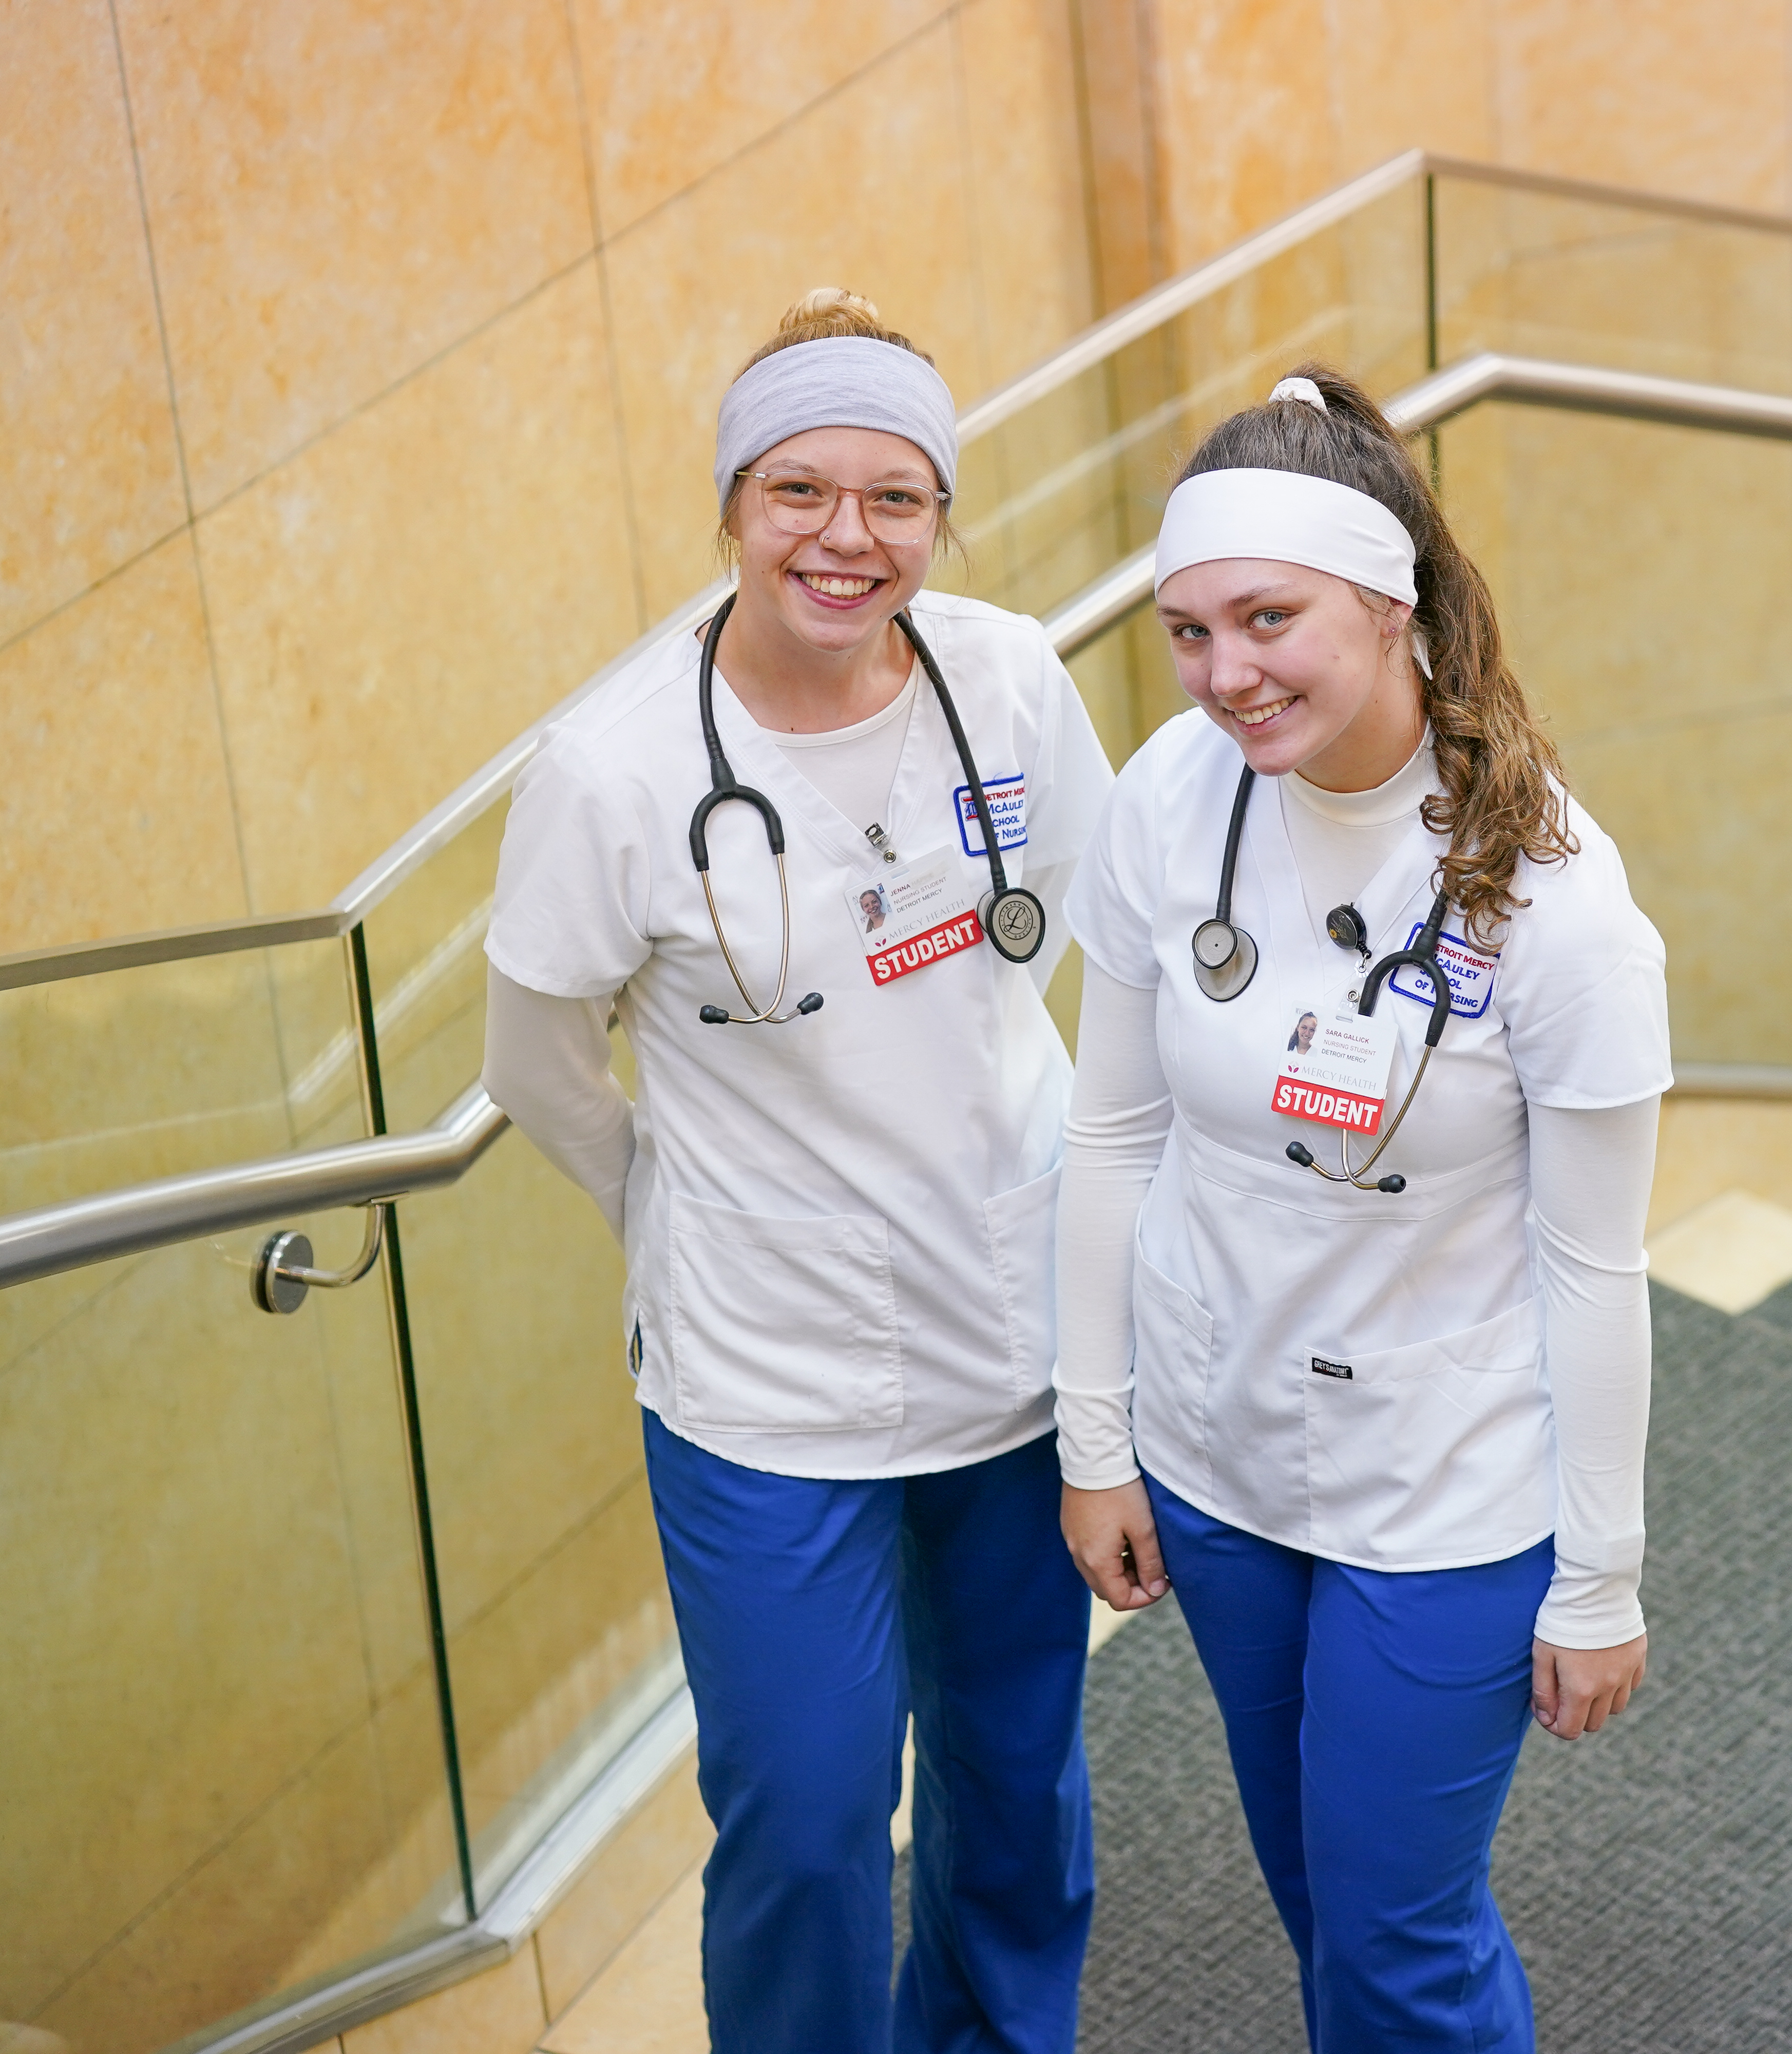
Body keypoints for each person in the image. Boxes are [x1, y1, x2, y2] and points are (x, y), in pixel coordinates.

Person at [480, 288, 1113, 2054]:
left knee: (1014, 1781)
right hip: (764, 1385)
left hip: (1010, 1332)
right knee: (814, 1819)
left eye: (897, 497)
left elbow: (1067, 937)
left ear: (942, 515)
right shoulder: (612, 774)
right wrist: (682, 1215)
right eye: (800, 492)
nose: (850, 539)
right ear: (734, 505)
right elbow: (535, 1064)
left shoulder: (1006, 678)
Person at [1053, 366, 1670, 2051]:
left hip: (1447, 1482)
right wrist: (1093, 1437)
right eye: (1187, 631)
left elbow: (1596, 1264)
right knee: (1319, 1892)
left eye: (1267, 619)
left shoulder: (1558, 908)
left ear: (1392, 604)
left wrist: (1600, 1577)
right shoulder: (1168, 798)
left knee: (1397, 1932)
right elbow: (1107, 1139)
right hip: (1218, 1447)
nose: (1223, 675)